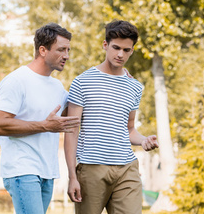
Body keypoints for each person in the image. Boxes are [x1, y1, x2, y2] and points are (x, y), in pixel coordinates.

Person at [64, 20, 159, 214]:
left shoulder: (135, 87)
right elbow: (72, 131)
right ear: (105, 45)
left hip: (126, 168)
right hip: (91, 168)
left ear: (132, 51)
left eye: (126, 50)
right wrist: (72, 175)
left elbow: (129, 129)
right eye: (116, 48)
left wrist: (144, 140)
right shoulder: (82, 82)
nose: (120, 54)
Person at [0, 22, 80, 214]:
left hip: (47, 171)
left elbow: (79, 114)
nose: (67, 56)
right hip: (22, 169)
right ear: (42, 50)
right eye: (61, 50)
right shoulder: (16, 80)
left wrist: (118, 75)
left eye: (68, 50)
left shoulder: (57, 87)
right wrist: (45, 126)